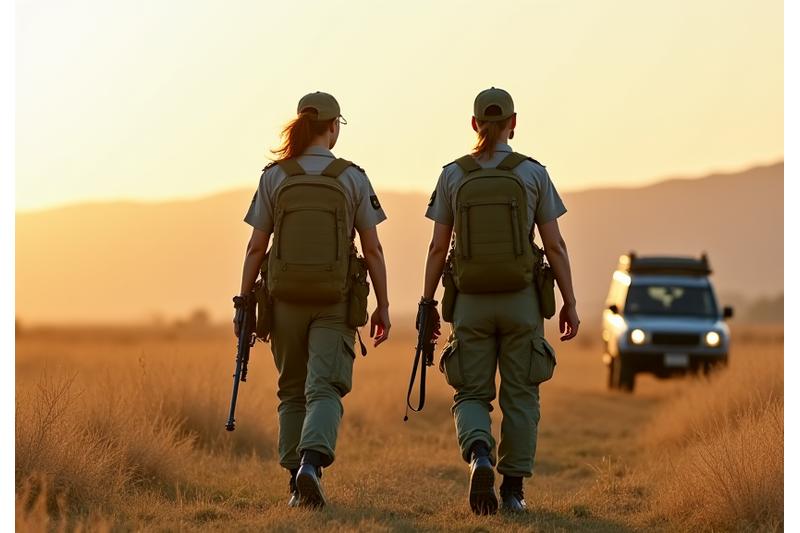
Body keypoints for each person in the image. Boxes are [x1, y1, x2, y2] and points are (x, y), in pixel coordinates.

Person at [420, 87, 579, 515]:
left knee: (470, 393)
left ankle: (479, 456)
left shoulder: (452, 175)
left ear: (474, 125)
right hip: (522, 301)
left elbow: (438, 249)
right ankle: (512, 490)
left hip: (469, 302)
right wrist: (569, 301)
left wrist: (427, 302)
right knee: (521, 396)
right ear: (514, 122)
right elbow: (556, 245)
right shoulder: (532, 173)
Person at [235, 91, 391, 508]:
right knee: (324, 388)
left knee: (291, 390)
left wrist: (244, 298)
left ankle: (293, 483)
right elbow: (373, 250)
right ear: (334, 127)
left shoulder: (275, 177)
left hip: (283, 300)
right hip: (334, 300)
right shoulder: (352, 177)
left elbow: (255, 248)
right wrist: (384, 305)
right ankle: (310, 464)